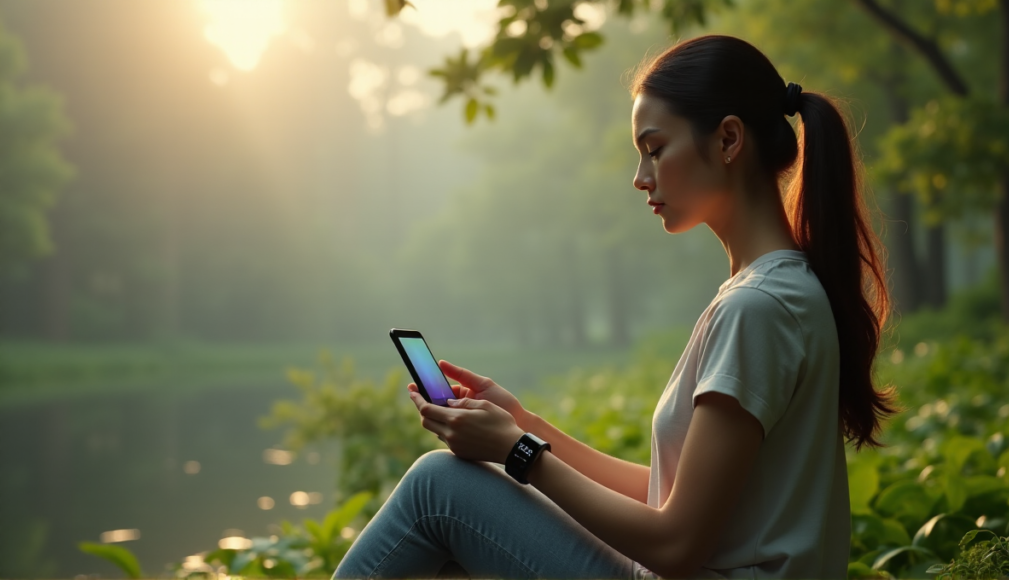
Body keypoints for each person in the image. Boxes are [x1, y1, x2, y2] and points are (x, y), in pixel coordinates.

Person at [333, 34, 901, 579]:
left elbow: (677, 546)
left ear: (728, 140)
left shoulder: (758, 307)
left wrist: (516, 451)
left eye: (655, 149)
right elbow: (672, 497)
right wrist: (524, 424)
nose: (639, 178)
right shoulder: (783, 290)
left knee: (440, 488)